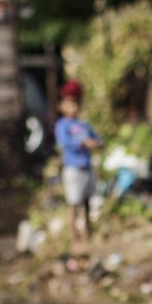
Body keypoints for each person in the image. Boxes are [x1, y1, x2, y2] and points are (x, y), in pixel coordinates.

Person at [54, 80, 101, 271]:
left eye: (76, 103)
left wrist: (95, 143)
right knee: (73, 205)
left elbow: (98, 140)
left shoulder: (84, 125)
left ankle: (87, 240)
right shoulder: (63, 125)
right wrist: (83, 144)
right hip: (73, 168)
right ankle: (75, 242)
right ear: (62, 106)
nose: (74, 107)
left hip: (86, 167)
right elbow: (65, 144)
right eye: (70, 103)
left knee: (87, 205)